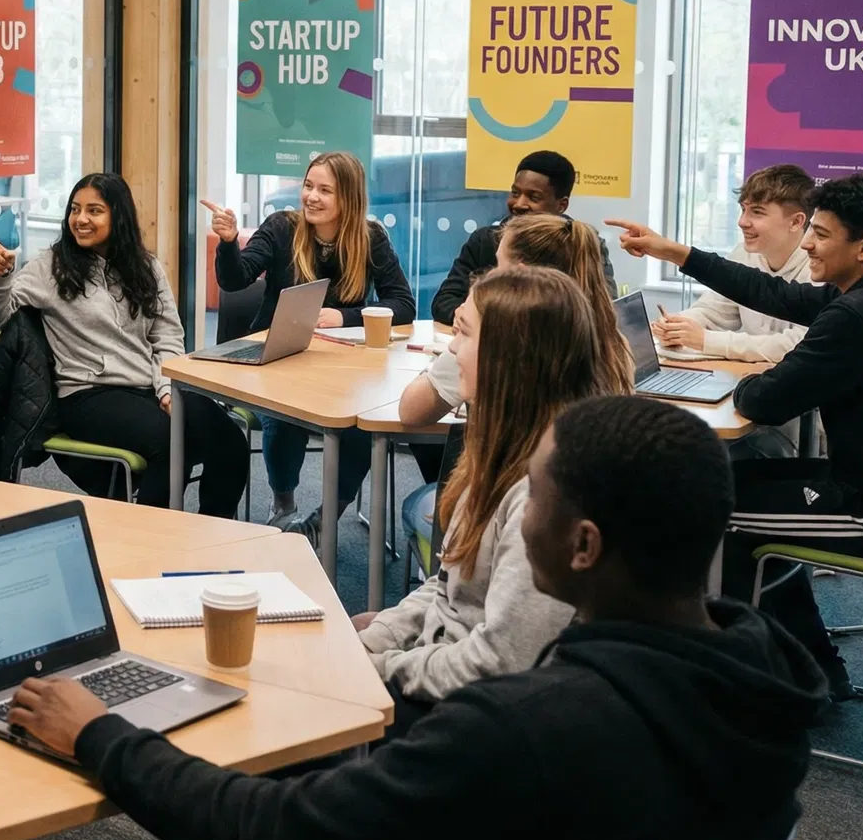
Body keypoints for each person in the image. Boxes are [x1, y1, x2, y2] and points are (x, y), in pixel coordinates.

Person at [0, 396, 827, 840]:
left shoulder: (519, 726)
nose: (513, 518)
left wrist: (100, 733)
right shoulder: (764, 690)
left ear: (583, 545)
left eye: (530, 498)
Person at [106, 265, 600, 840]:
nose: (451, 348)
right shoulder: (498, 451)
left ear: (512, 359)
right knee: (291, 668)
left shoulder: (542, 490)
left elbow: (501, 663)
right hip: (443, 677)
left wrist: (381, 666)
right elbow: (443, 591)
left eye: (465, 335)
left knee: (273, 721)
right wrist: (377, 635)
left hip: (474, 722)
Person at [609, 172, 863, 701]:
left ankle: (742, 681)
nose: (808, 243)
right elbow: (771, 292)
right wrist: (679, 253)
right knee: (732, 482)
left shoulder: (859, 315)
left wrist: (742, 372)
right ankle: (809, 664)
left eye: (822, 235)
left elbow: (762, 401)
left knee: (715, 514)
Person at [0, 173, 250, 516]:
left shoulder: (146, 266)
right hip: (87, 394)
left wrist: (166, 387)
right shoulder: (50, 266)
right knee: (171, 445)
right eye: (75, 210)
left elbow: (167, 336)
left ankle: (213, 534)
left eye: (94, 210)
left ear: (118, 216)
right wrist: (0, 280)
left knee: (230, 441)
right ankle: (153, 548)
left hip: (149, 386)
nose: (81, 219)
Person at [206, 151, 415, 534]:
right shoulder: (281, 228)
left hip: (342, 370)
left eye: (325, 190)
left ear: (348, 198)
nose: (311, 197)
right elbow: (235, 280)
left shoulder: (369, 238)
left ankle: (324, 519)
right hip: (279, 360)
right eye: (308, 186)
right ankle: (283, 504)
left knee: (363, 426)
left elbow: (403, 303)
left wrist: (345, 317)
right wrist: (229, 241)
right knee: (286, 418)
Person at [397, 212, 635, 544]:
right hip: (587, 509)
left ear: (520, 276)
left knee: (414, 507)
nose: (492, 275)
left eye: (497, 265)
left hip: (493, 512)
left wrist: (449, 357)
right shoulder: (613, 337)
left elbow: (411, 411)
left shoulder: (494, 342)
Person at [429, 149, 616, 325]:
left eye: (534, 197)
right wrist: (472, 319)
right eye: (515, 193)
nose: (519, 204)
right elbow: (444, 302)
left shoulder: (579, 243)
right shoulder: (485, 240)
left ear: (561, 205)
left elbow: (603, 312)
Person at [654, 162, 814, 364]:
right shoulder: (743, 254)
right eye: (743, 209)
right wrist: (678, 326)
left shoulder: (821, 267)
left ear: (796, 222)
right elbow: (714, 311)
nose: (742, 222)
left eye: (757, 212)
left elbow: (801, 344)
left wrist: (706, 340)